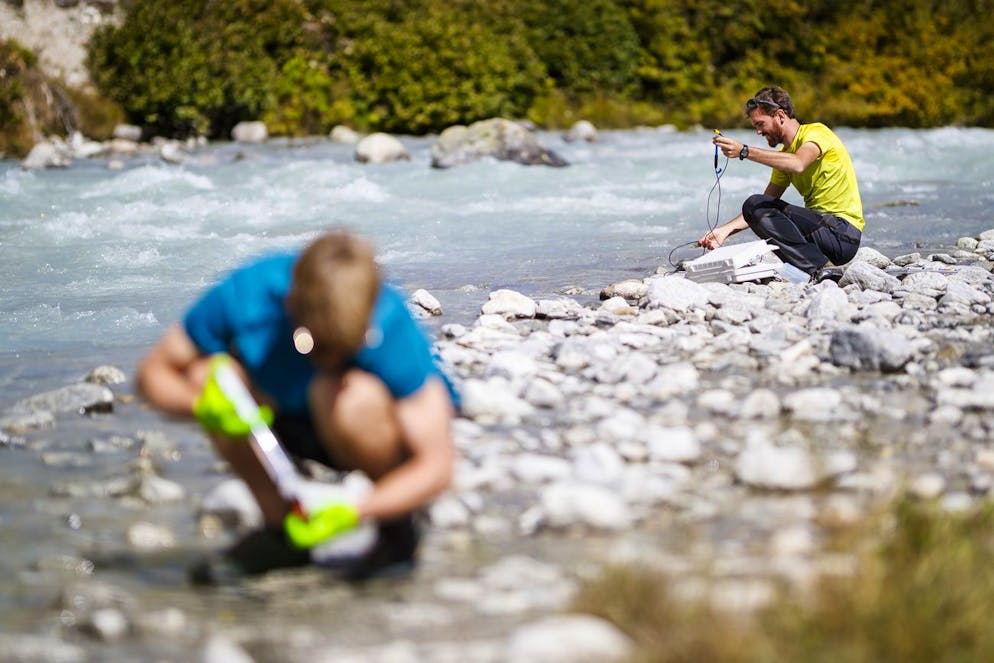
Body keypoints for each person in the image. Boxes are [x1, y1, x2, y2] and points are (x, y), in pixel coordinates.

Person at [137, 230, 457, 580]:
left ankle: (394, 528)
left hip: (353, 425)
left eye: (344, 349)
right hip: (271, 423)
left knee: (349, 395)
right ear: (290, 304)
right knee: (208, 375)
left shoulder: (388, 321)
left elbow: (437, 464)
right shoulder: (249, 294)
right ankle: (282, 533)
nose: (325, 360)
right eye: (313, 346)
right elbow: (153, 374)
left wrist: (356, 510)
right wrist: (201, 405)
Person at [698, 86, 864, 279]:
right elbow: (762, 205)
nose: (758, 132)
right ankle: (816, 270)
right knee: (756, 207)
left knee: (754, 204)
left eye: (760, 124)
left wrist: (744, 151)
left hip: (842, 233)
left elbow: (799, 163)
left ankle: (820, 269)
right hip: (821, 236)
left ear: (780, 115)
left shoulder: (816, 133)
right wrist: (724, 231)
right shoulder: (784, 157)